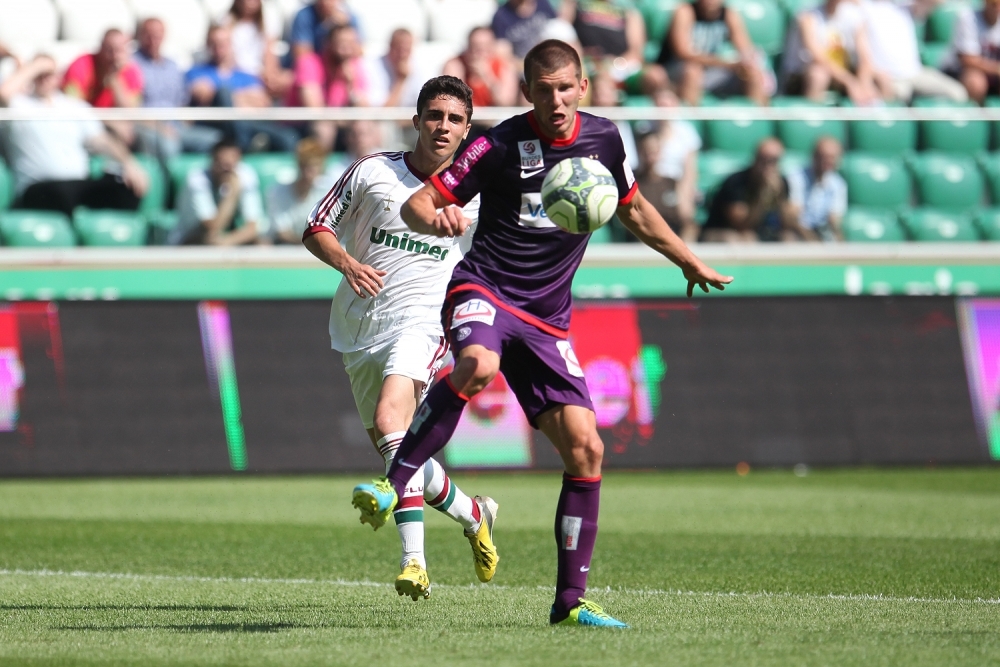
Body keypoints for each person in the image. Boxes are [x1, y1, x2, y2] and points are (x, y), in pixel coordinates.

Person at [351, 40, 731, 627]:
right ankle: (391, 483)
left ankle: (569, 603)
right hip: (484, 291)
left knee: (587, 449)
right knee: (477, 366)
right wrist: (439, 216)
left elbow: (632, 208)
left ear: (583, 86)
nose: (556, 100)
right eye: (543, 89)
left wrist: (686, 259)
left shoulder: (604, 139)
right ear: (527, 92)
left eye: (566, 87)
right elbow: (419, 206)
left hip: (547, 319)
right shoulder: (496, 143)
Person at [302, 76, 497, 601]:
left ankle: (414, 562)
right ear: (416, 120)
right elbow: (316, 227)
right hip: (359, 327)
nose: (443, 126)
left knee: (393, 422)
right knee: (399, 454)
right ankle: (476, 513)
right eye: (435, 115)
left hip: (424, 322)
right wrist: (346, 262)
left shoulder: (479, 199)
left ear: (467, 131)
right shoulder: (373, 172)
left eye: (455, 119)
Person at [0, 55, 149, 217]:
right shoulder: (18, 105)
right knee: (62, 194)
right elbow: (3, 94)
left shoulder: (75, 107)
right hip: (40, 186)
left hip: (77, 185)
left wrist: (129, 163)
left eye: (49, 73)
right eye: (39, 74)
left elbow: (102, 140)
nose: (44, 78)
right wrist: (36, 66)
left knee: (126, 189)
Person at [187, 24, 298, 152]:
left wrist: (229, 98)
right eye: (214, 43)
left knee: (288, 138)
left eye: (223, 43)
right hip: (216, 127)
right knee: (224, 92)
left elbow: (263, 103)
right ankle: (242, 146)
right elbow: (204, 96)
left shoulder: (245, 75)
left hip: (250, 124)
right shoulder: (196, 72)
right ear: (207, 45)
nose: (219, 48)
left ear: (230, 44)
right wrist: (243, 99)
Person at [133, 18, 222, 160]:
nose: (153, 39)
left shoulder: (172, 66)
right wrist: (161, 128)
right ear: (140, 35)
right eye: (149, 34)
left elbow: (182, 102)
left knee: (218, 141)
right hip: (147, 126)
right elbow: (133, 108)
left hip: (175, 126)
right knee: (169, 146)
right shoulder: (132, 65)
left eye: (157, 34)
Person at [657, 0, 770, 105]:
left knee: (752, 73)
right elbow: (683, 53)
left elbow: (746, 49)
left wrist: (748, 64)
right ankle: (692, 120)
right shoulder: (685, 11)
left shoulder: (728, 14)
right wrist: (725, 63)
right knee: (692, 72)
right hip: (677, 71)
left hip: (711, 72)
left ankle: (760, 121)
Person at [781, 0, 892, 105]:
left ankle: (882, 121)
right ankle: (813, 121)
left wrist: (864, 82)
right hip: (801, 76)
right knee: (818, 76)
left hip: (842, 73)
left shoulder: (854, 16)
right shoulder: (808, 16)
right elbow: (818, 57)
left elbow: (865, 56)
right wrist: (850, 82)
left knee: (883, 78)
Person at [859, 0, 966, 102]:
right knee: (899, 95)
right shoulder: (863, 8)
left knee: (958, 94)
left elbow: (938, 1)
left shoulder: (905, 7)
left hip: (916, 74)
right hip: (890, 77)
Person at [288, 24, 370, 150]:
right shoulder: (309, 62)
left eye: (351, 43)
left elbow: (364, 108)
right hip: (302, 124)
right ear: (328, 43)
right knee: (324, 128)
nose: (347, 49)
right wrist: (342, 120)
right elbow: (314, 109)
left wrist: (350, 85)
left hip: (338, 122)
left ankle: (364, 167)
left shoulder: (355, 66)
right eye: (342, 43)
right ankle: (320, 169)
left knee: (365, 127)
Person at [170, 138, 266, 245]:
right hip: (188, 240)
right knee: (209, 240)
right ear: (213, 161)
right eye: (222, 164)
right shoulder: (197, 180)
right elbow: (212, 228)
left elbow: (252, 227)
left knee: (262, 244)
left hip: (225, 239)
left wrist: (227, 241)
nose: (227, 170)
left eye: (230, 166)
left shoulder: (246, 174)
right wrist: (232, 194)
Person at [701, 137, 794, 242]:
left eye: (773, 160)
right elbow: (740, 223)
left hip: (762, 232)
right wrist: (763, 194)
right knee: (745, 238)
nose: (768, 165)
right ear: (755, 158)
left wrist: (779, 195)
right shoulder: (736, 181)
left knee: (789, 237)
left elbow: (787, 224)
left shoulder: (782, 182)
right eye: (764, 159)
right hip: (721, 231)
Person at [63, 28, 143, 145]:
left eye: (119, 51)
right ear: (100, 48)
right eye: (109, 50)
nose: (114, 56)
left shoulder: (131, 72)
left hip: (116, 128)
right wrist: (109, 121)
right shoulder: (81, 65)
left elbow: (130, 112)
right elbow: (71, 105)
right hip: (83, 126)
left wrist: (115, 79)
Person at [634, 131, 700, 243]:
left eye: (654, 152)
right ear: (639, 151)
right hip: (645, 244)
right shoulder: (632, 183)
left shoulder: (672, 183)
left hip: (675, 244)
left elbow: (687, 219)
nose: (650, 157)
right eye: (646, 151)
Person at [267, 138, 334, 244]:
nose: (308, 172)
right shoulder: (278, 192)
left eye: (314, 166)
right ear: (299, 165)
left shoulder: (328, 192)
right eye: (305, 165)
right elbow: (281, 232)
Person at [221, 0, 292, 99]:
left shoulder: (267, 22)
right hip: (238, 76)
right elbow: (227, 60)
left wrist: (270, 77)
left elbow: (269, 55)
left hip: (259, 77)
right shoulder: (226, 22)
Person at [786, 136, 847, 241]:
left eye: (832, 157)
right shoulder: (796, 178)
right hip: (798, 231)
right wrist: (812, 239)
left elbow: (834, 220)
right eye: (823, 156)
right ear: (814, 156)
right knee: (788, 236)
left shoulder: (839, 184)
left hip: (821, 232)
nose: (827, 161)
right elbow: (792, 218)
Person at [443, 27, 519, 108]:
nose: (480, 51)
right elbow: (451, 99)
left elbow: (505, 102)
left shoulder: (504, 66)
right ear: (468, 46)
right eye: (476, 46)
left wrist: (487, 76)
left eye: (485, 46)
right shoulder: (456, 64)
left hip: (495, 118)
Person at [946, 0, 1000, 105]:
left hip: (992, 73)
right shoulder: (968, 17)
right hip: (958, 72)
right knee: (976, 82)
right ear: (986, 2)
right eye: (994, 4)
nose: (998, 8)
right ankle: (975, 118)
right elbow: (967, 60)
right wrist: (996, 69)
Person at [367, 29, 424, 108]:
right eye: (399, 49)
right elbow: (382, 111)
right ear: (390, 46)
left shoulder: (418, 66)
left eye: (406, 50)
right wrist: (401, 80)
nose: (402, 55)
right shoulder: (373, 66)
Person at [289, 0, 359, 62]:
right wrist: (326, 27)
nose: (325, 2)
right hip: (316, 68)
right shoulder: (304, 16)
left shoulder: (349, 18)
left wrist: (344, 28)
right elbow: (301, 55)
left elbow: (359, 51)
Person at [491, 0, 560, 61]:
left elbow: (559, 29)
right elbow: (503, 50)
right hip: (522, 64)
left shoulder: (542, 3)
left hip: (550, 55)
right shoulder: (501, 15)